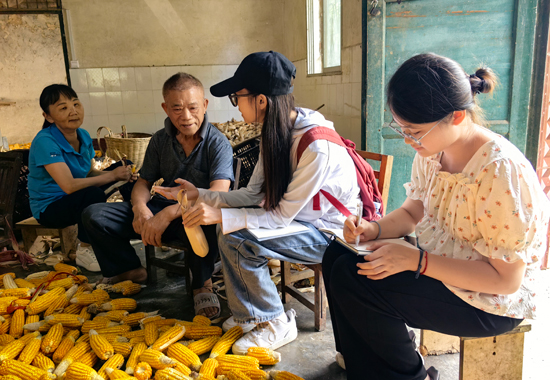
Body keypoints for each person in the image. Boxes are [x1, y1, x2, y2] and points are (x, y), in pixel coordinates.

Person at [322, 53, 550, 380]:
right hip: (442, 264)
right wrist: (373, 229)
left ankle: (410, 375)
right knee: (337, 256)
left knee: (357, 280)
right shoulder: (432, 152)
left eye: (414, 131)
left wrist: (418, 261)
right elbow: (414, 210)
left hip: (490, 300)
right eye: (400, 128)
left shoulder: (500, 174)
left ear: (456, 117)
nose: (407, 139)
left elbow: (506, 281)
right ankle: (362, 358)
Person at [154, 51, 362, 354]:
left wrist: (221, 216)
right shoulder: (275, 132)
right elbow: (253, 195)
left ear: (261, 100)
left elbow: (279, 217)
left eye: (237, 97)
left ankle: (276, 321)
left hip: (330, 234)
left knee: (237, 239)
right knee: (230, 232)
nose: (236, 106)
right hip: (298, 221)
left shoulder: (315, 146)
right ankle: (252, 316)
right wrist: (201, 194)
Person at [81, 73, 234, 319]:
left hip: (193, 212)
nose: (185, 116)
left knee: (204, 221)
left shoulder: (217, 144)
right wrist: (141, 207)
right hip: (159, 208)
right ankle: (130, 271)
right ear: (165, 108)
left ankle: (202, 284)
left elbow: (218, 193)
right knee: (95, 215)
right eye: (177, 108)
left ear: (205, 105)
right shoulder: (160, 140)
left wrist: (169, 213)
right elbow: (143, 182)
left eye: (193, 107)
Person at [28, 84, 136, 272]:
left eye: (76, 104)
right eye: (63, 108)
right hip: (51, 208)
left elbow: (88, 174)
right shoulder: (45, 141)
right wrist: (111, 176)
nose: (73, 111)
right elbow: (69, 186)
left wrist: (119, 174)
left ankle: (132, 226)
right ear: (48, 116)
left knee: (125, 168)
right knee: (92, 195)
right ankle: (84, 249)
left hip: (76, 196)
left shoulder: (83, 136)